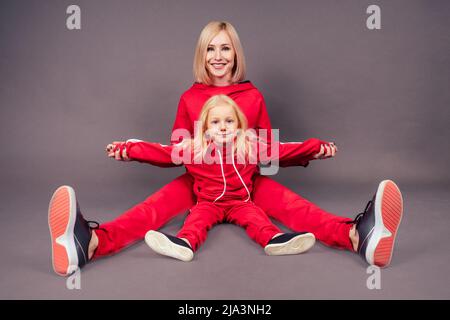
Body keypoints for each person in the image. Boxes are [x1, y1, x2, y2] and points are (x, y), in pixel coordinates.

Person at [48, 21, 403, 276]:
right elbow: (175, 149)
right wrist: (131, 149)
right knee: (152, 208)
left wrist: (309, 151)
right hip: (198, 180)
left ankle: (357, 236)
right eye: (210, 49)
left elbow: (269, 149)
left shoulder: (253, 96)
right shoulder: (189, 98)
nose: (218, 56)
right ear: (202, 56)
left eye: (225, 48)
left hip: (246, 179)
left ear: (235, 54)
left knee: (294, 206)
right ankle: (89, 243)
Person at [113, 94, 326, 261]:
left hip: (241, 202)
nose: (223, 126)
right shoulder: (195, 149)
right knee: (196, 221)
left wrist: (315, 148)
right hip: (208, 203)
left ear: (238, 125)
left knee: (257, 219)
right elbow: (159, 151)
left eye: (229, 121)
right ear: (205, 127)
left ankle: (276, 240)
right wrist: (128, 149)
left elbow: (283, 150)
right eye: (215, 122)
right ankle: (183, 243)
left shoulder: (249, 147)